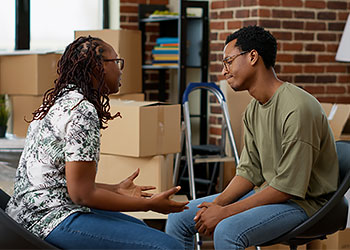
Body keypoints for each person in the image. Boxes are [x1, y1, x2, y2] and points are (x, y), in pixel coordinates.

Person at [6, 36, 188, 249]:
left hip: (26, 213)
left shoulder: (62, 101)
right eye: (116, 62)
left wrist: (115, 189)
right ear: (96, 67)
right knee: (167, 246)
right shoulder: (82, 110)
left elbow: (64, 182)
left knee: (139, 226)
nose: (120, 70)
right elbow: (82, 194)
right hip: (47, 219)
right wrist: (148, 204)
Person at [166, 25, 339, 249]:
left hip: (306, 204)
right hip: (274, 193)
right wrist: (215, 205)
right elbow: (249, 172)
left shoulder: (297, 108)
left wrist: (225, 212)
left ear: (253, 57)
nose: (224, 71)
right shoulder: (253, 110)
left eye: (228, 61)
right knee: (179, 218)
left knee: (227, 231)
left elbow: (287, 188)